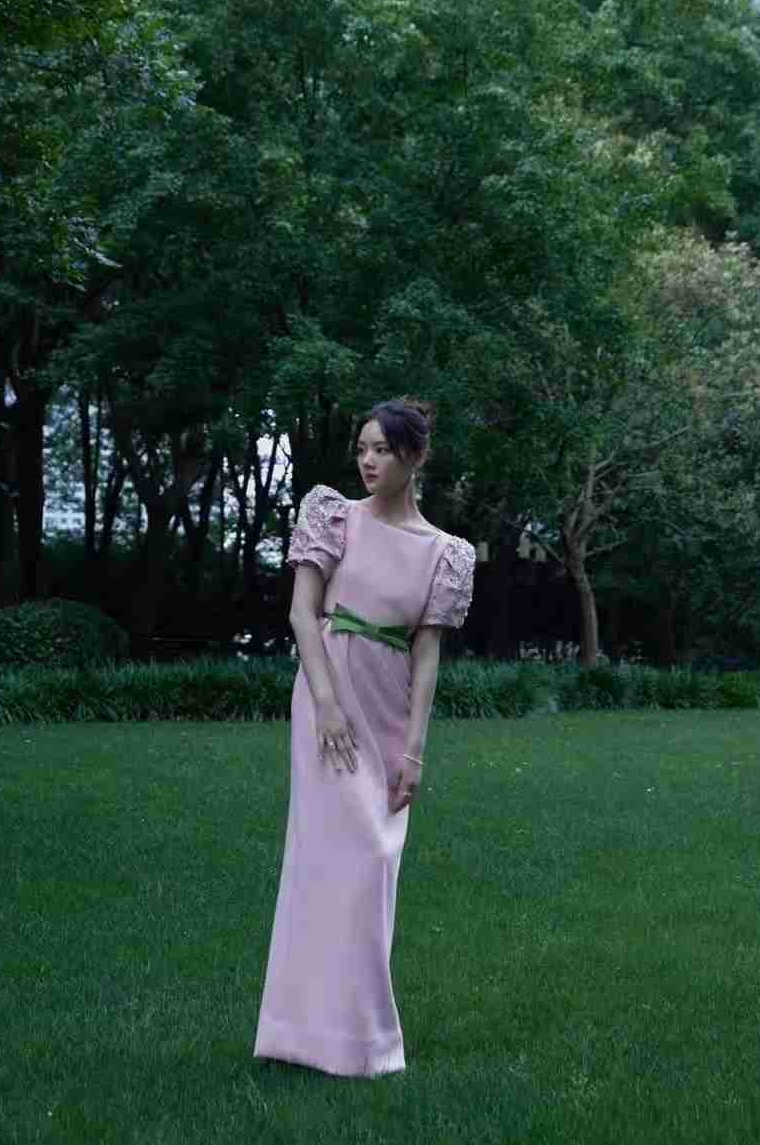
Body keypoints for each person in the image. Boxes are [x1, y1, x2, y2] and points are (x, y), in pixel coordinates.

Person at [253, 397, 475, 1078]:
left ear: (415, 457)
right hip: (329, 696)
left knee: (373, 866)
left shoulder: (444, 553)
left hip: (388, 706)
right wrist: (326, 705)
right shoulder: (333, 516)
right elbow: (302, 613)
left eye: (382, 449)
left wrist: (414, 751)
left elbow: (427, 657)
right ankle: (314, 1036)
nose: (368, 460)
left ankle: (349, 1038)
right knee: (331, 862)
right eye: (362, 449)